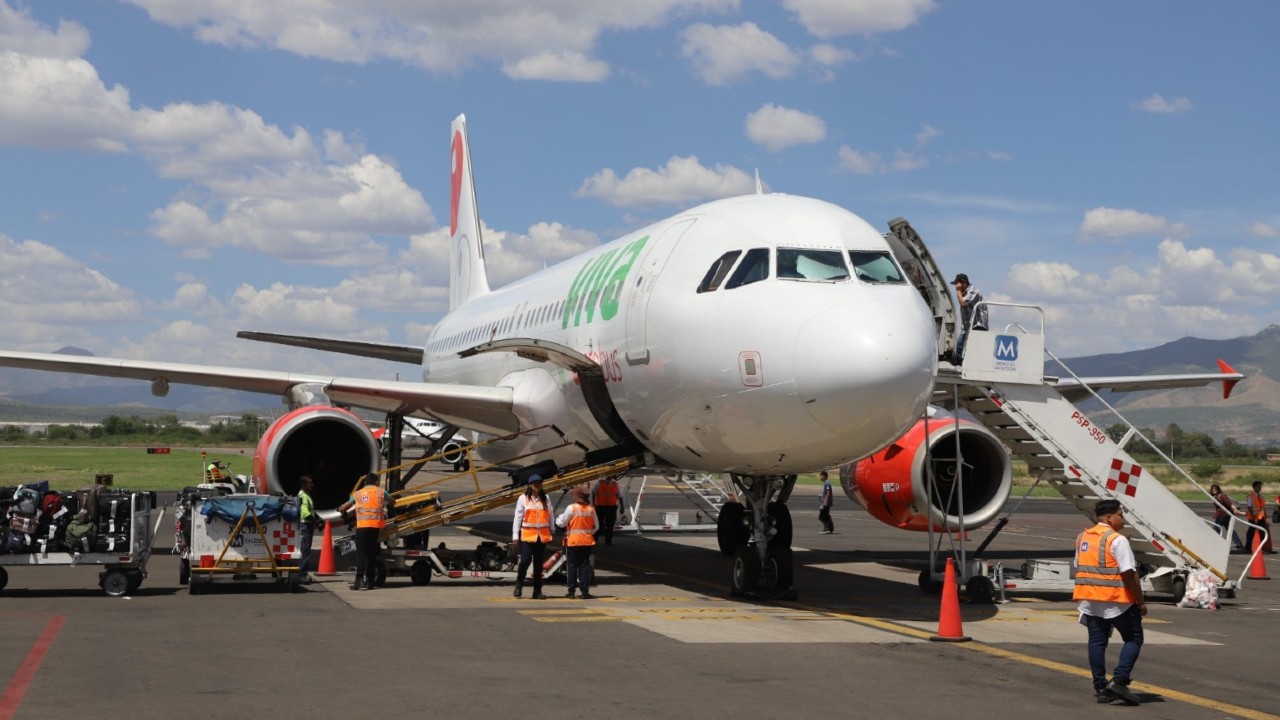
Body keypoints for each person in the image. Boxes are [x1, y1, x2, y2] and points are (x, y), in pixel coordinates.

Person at [1074, 499, 1145, 706]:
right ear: (1109, 517)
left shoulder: (1082, 537)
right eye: (1120, 515)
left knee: (1097, 642)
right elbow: (1130, 573)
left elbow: (1079, 565)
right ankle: (1120, 680)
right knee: (1134, 638)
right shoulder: (1117, 539)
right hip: (1116, 601)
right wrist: (1140, 601)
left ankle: (1101, 687)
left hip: (1090, 601)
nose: (1123, 519)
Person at [338, 473, 390, 591]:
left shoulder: (358, 494)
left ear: (365, 482)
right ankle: (370, 582)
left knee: (361, 555)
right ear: (376, 482)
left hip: (362, 528)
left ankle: (358, 581)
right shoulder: (381, 492)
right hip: (375, 528)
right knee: (371, 555)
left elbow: (345, 506)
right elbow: (393, 501)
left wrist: (341, 509)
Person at [555, 484, 599, 599]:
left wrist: (558, 519)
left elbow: (562, 523)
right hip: (587, 542)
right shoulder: (591, 509)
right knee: (584, 566)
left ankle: (571, 592)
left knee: (572, 567)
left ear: (577, 496)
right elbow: (597, 527)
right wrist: (588, 533)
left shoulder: (572, 508)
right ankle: (584, 592)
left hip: (573, 542)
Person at [512, 475, 552, 599]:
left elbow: (550, 515)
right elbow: (518, 518)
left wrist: (553, 529)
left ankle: (537, 591)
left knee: (538, 565)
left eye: (539, 483)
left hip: (541, 537)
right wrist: (515, 536)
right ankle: (519, 584)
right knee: (525, 561)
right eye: (535, 483)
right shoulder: (523, 499)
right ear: (530, 485)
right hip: (528, 537)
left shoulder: (546, 498)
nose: (537, 485)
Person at [950, 273, 988, 366]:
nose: (956, 286)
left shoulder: (972, 291)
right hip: (967, 326)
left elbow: (963, 303)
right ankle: (960, 366)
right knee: (959, 346)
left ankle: (970, 365)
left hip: (977, 325)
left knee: (971, 348)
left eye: (957, 284)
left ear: (964, 283)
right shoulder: (963, 293)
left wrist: (958, 291)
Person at [1209, 483, 1246, 552]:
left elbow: (1229, 503)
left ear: (1218, 489)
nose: (1213, 490)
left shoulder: (1222, 496)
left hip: (1223, 515)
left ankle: (1213, 543)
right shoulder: (1217, 496)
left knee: (1216, 528)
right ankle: (1239, 543)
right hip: (1224, 515)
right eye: (1212, 489)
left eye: (1215, 488)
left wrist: (1235, 509)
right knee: (1229, 529)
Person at [296, 475, 318, 583]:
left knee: (305, 550)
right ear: (304, 485)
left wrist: (318, 519)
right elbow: (304, 512)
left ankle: (302, 574)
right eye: (310, 483)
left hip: (308, 525)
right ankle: (301, 575)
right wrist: (315, 521)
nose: (312, 485)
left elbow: (310, 510)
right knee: (305, 551)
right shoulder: (303, 496)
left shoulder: (306, 495)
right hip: (306, 525)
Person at [592, 474, 625, 546]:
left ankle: (608, 541)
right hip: (601, 507)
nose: (610, 477)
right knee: (598, 524)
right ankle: (594, 540)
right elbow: (593, 492)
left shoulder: (615, 484)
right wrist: (593, 503)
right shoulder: (600, 483)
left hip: (611, 507)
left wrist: (622, 507)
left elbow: (620, 496)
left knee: (610, 525)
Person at [1243, 481, 1275, 554]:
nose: (1260, 488)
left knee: (1262, 533)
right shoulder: (1250, 496)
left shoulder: (1261, 496)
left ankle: (1260, 548)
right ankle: (1248, 547)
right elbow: (1250, 508)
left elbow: (1263, 508)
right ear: (1254, 487)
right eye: (1258, 486)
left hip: (1261, 517)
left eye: (1260, 486)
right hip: (1253, 517)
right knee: (1251, 533)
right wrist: (1254, 518)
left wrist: (1266, 518)